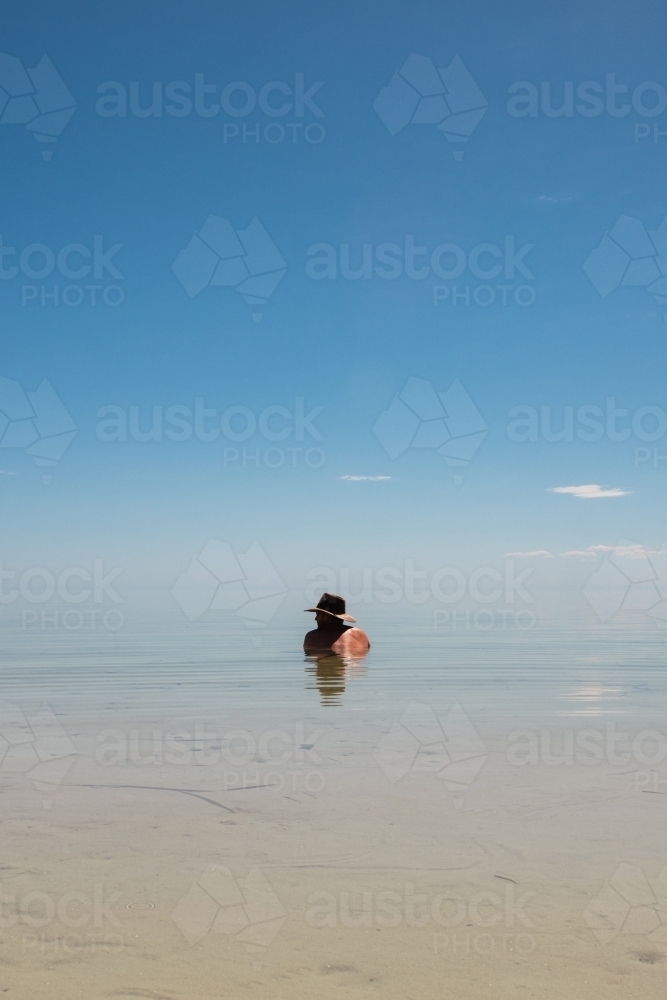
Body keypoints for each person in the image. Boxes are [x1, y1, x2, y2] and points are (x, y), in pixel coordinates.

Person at [303, 593, 370, 655]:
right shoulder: (360, 634)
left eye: (318, 614)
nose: (316, 618)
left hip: (328, 664)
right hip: (353, 666)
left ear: (326, 615)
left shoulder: (312, 637)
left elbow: (310, 655)